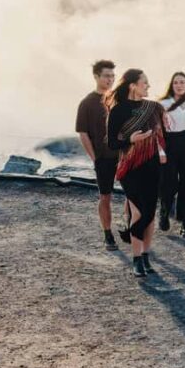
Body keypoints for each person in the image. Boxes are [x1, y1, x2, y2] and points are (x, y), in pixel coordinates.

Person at [106, 69, 167, 277]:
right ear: (132, 85)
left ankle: (146, 255)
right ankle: (136, 259)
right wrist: (131, 140)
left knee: (149, 215)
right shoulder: (118, 111)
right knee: (139, 212)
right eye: (145, 83)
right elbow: (113, 143)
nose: (148, 87)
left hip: (152, 166)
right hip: (129, 168)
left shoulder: (154, 108)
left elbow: (163, 136)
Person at [76, 60, 120, 251]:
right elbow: (83, 133)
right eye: (106, 76)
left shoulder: (119, 99)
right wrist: (94, 158)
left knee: (133, 195)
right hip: (103, 157)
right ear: (96, 77)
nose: (110, 79)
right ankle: (108, 234)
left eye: (112, 76)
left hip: (124, 155)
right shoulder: (87, 103)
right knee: (105, 196)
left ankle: (131, 230)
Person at [158, 72, 185, 238]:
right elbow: (158, 130)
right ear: (171, 85)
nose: (179, 85)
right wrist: (160, 150)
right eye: (176, 82)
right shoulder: (163, 103)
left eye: (182, 82)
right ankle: (165, 212)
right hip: (170, 143)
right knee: (169, 183)